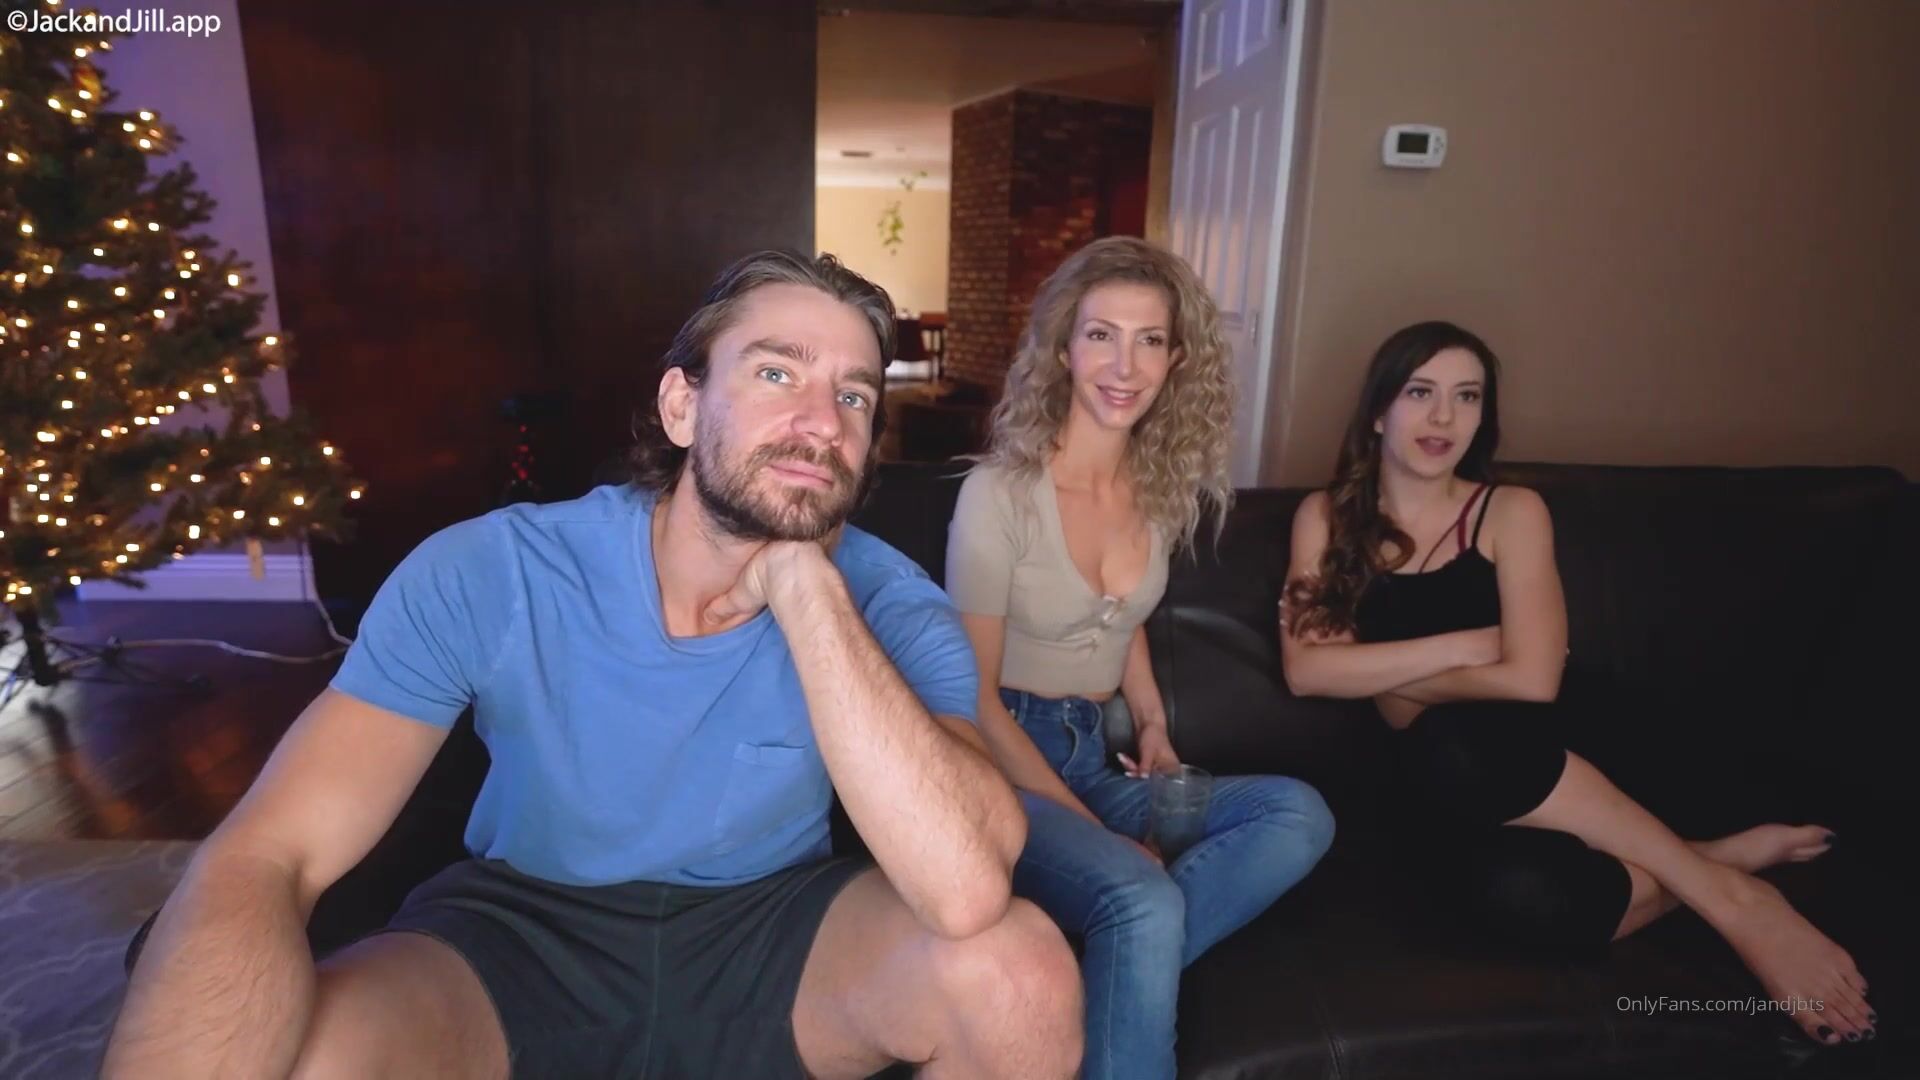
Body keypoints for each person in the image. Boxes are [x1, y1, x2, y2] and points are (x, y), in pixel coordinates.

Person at [102, 251, 1085, 1079]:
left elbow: (966, 889)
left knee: (1018, 976)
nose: (823, 421)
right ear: (682, 405)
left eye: (854, 395)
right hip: (518, 934)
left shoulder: (893, 603)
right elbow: (270, 856)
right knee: (319, 1057)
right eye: (777, 373)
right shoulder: (493, 569)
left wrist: (809, 592)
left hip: (770, 935)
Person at [1278, 320, 1876, 1047]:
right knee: (1514, 894)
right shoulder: (1325, 518)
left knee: (1447, 737)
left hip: (1565, 744)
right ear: (1378, 411)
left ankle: (1738, 904)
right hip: (1447, 786)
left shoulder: (1511, 511)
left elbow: (1535, 681)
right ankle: (1716, 861)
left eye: (1467, 396)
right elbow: (1307, 672)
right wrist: (1471, 644)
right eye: (1420, 392)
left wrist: (1383, 681)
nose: (1443, 417)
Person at [945, 236, 1336, 1079]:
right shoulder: (998, 493)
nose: (1125, 366)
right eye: (1101, 335)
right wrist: (1099, 837)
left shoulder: (1159, 492)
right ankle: (1131, 943)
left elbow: (1126, 624)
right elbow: (970, 701)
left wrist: (1153, 724)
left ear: (1175, 360)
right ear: (1063, 348)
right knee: (1144, 896)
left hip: (1098, 756)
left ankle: (1107, 974)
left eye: (1149, 340)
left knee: (1299, 814)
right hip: (1004, 764)